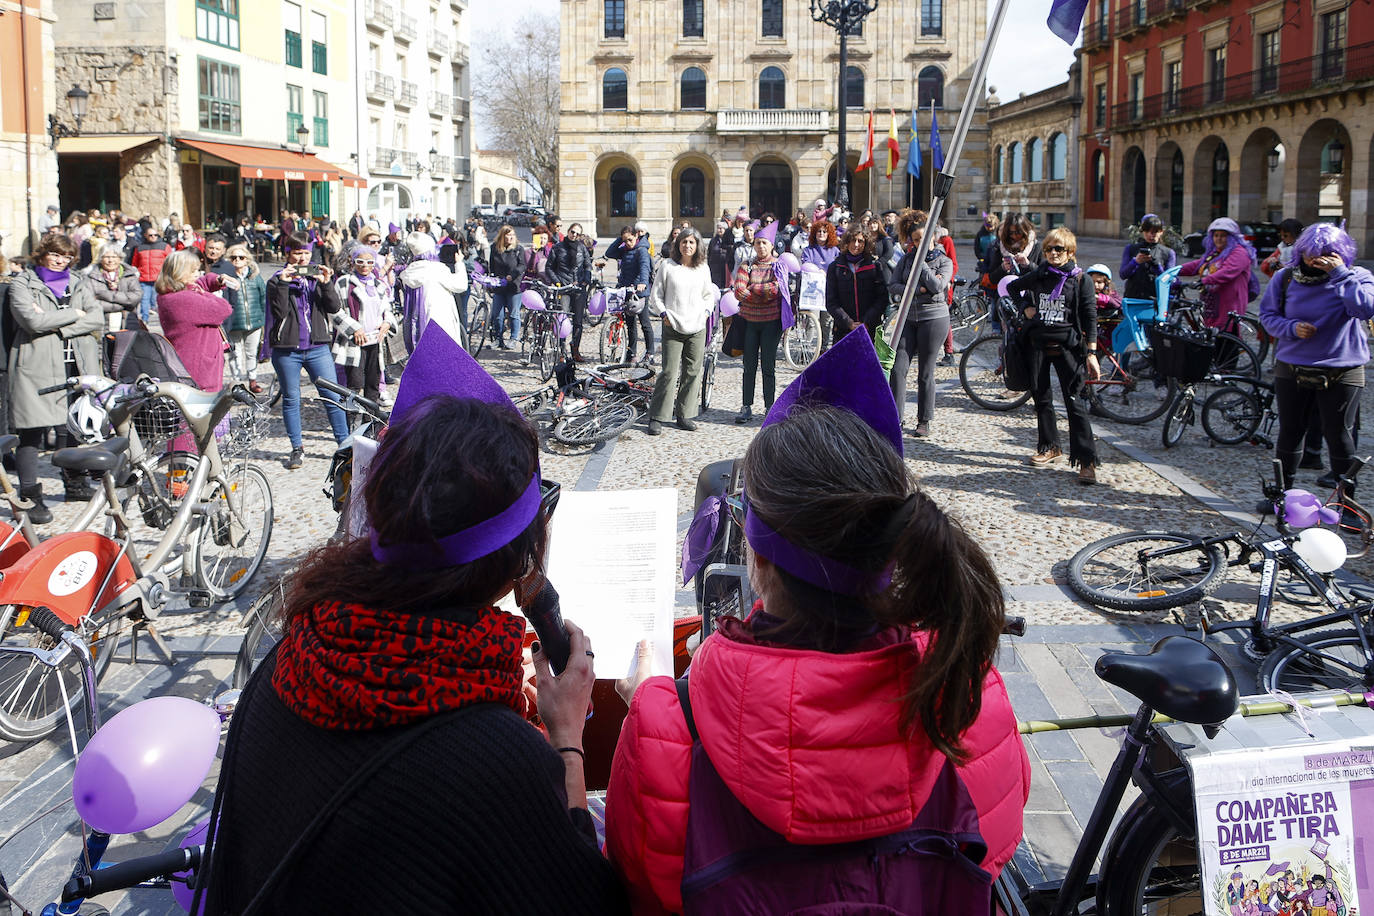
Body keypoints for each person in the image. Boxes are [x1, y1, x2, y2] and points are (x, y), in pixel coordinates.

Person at [200, 333, 627, 914]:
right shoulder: (497, 764)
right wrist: (568, 741)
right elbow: (586, 901)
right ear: (513, 565)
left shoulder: (285, 661)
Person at [607, 331, 1028, 914]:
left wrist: (645, 705)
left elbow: (641, 885)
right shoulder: (964, 691)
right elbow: (994, 851)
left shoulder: (670, 724)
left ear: (755, 558)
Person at [1258, 223, 1374, 497]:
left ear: (1340, 253)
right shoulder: (1286, 278)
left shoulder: (1357, 276)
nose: (1316, 260)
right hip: (1292, 366)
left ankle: (1346, 504)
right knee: (1291, 431)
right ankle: (1281, 497)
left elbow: (1365, 309)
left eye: (1325, 254)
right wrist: (1291, 328)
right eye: (1311, 253)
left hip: (1342, 367)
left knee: (1339, 435)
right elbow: (1268, 316)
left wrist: (1339, 274)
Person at [6, 233, 105, 519]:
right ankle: (29, 496)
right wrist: (73, 313)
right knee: (31, 432)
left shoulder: (76, 282)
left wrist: (62, 325)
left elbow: (96, 317)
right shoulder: (23, 283)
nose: (61, 261)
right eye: (55, 254)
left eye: (66, 256)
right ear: (43, 253)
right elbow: (32, 321)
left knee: (70, 428)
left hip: (75, 364)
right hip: (36, 365)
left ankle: (74, 483)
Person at [1008, 228, 1100, 484]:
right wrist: (1026, 307)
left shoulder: (1081, 280)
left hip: (1068, 347)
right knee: (1042, 400)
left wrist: (1091, 353)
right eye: (1049, 249)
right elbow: (1013, 287)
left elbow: (1090, 318)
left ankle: (1086, 461)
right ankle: (1050, 446)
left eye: (1058, 249)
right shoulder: (1040, 274)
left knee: (1076, 404)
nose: (1053, 254)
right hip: (1038, 344)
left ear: (1070, 251)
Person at [264, 232, 351, 469]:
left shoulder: (316, 278)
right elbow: (279, 313)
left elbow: (334, 307)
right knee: (292, 399)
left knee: (333, 398)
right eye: (297, 253)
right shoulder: (275, 280)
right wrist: (283, 283)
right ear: (288, 254)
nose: (302, 259)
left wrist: (327, 284)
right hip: (286, 350)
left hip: (317, 348)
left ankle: (344, 445)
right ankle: (296, 448)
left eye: (305, 253)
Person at [155, 250, 236, 441]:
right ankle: (192, 463)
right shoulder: (183, 299)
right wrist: (205, 292)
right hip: (198, 365)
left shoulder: (172, 293)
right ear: (180, 273)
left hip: (194, 359)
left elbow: (202, 283)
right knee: (196, 417)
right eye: (192, 271)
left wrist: (214, 281)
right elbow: (223, 308)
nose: (197, 275)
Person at [888, 212, 954, 438]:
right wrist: (917, 290)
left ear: (933, 237)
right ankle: (896, 418)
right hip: (908, 317)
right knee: (898, 369)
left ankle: (924, 420)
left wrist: (922, 265)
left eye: (923, 239)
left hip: (933, 318)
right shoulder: (906, 259)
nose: (919, 244)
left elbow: (937, 287)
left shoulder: (944, 261)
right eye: (915, 240)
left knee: (926, 372)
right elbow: (893, 285)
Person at [645, 227, 715, 436]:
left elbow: (708, 295)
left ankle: (684, 414)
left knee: (692, 372)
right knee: (669, 371)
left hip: (696, 327)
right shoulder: (667, 266)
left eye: (692, 243)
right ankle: (657, 415)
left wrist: (705, 312)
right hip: (672, 325)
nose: (687, 246)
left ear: (697, 246)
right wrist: (664, 314)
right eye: (684, 242)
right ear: (678, 244)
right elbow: (656, 296)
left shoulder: (702, 267)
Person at [732, 221, 790, 424]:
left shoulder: (779, 266)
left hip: (770, 323)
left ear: (772, 245)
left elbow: (777, 290)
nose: (761, 247)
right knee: (749, 366)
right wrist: (762, 291)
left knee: (768, 366)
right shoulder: (746, 265)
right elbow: (739, 291)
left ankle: (769, 407)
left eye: (764, 242)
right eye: (757, 243)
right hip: (749, 323)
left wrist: (753, 289)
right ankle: (746, 406)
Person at [334, 246, 399, 403]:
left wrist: (387, 323)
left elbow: (387, 309)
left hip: (375, 340)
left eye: (370, 262)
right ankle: (352, 421)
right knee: (354, 384)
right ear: (353, 262)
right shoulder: (344, 283)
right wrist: (355, 329)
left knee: (373, 383)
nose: (365, 266)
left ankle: (371, 421)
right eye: (360, 262)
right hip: (355, 341)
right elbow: (335, 311)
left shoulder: (378, 285)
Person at [1179, 217, 1258, 329]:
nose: (1219, 239)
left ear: (1231, 237)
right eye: (1216, 235)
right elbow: (1198, 265)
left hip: (1229, 302)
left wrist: (1204, 281)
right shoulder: (1215, 253)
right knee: (1210, 332)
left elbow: (1227, 271)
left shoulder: (1239, 252)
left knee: (1226, 332)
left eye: (1223, 236)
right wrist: (1175, 270)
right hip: (1211, 302)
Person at [398, 231, 468, 352]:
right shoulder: (437, 269)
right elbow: (460, 285)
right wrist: (459, 264)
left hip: (420, 323)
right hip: (441, 322)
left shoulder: (409, 272)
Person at [604, 223, 654, 364]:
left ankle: (650, 352)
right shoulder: (624, 249)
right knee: (630, 325)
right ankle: (632, 353)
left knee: (645, 323)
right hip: (626, 290)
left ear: (636, 236)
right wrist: (620, 240)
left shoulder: (642, 250)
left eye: (630, 239)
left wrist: (642, 283)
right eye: (625, 240)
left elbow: (645, 268)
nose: (628, 243)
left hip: (640, 292)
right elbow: (609, 253)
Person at [825, 226, 886, 341]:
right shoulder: (835, 267)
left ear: (866, 243)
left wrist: (866, 321)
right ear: (847, 242)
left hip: (869, 329)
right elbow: (831, 302)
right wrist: (849, 323)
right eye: (853, 240)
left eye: (860, 241)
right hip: (843, 329)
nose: (856, 245)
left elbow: (882, 298)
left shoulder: (874, 266)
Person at [222, 243, 267, 394]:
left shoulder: (255, 277)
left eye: (241, 257)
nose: (237, 260)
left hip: (254, 322)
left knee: (251, 352)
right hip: (234, 322)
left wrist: (264, 319)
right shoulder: (226, 278)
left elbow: (263, 298)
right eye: (233, 257)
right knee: (235, 353)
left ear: (247, 259)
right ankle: (237, 381)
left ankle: (252, 380)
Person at [547, 222, 593, 362]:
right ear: (568, 231)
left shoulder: (582, 248)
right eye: (572, 232)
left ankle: (575, 350)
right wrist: (557, 282)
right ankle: (561, 351)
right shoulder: (557, 247)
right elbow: (549, 267)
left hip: (578, 288)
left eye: (577, 234)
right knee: (563, 320)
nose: (574, 235)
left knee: (578, 321)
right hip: (564, 287)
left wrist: (586, 278)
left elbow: (588, 265)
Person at [1119, 214, 1177, 306]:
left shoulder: (1168, 252)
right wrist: (1135, 262)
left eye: (1155, 232)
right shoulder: (1131, 249)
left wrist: (1157, 267)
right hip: (1133, 297)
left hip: (1156, 300)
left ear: (1161, 231)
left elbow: (1170, 281)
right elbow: (1123, 274)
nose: (1151, 235)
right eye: (1147, 231)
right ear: (1142, 232)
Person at [978, 212, 1040, 296]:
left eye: (1017, 232)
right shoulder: (999, 247)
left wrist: (1028, 264)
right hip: (1004, 301)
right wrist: (1002, 268)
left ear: (1025, 231)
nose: (1014, 236)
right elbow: (991, 278)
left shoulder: (1036, 247)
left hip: (1029, 300)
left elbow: (1044, 275)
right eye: (1011, 233)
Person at [487, 225, 527, 351]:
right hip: (499, 285)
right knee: (497, 314)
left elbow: (522, 266)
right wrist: (491, 279)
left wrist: (512, 275)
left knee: (514, 313)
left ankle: (513, 338)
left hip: (514, 286)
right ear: (502, 236)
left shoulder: (519, 249)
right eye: (508, 235)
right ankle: (498, 338)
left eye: (512, 235)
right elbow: (492, 266)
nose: (510, 238)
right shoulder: (495, 248)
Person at [86, 245, 141, 332]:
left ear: (120, 258)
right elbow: (89, 302)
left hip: (127, 323)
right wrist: (123, 305)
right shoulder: (91, 276)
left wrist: (105, 295)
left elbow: (135, 297)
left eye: (114, 257)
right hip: (100, 324)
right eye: (107, 257)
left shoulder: (130, 275)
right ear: (101, 258)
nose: (110, 260)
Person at [127, 223, 172, 321]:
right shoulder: (139, 247)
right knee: (144, 299)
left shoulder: (164, 246)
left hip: (159, 278)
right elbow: (135, 263)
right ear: (145, 236)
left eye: (155, 235)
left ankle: (162, 319)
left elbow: (170, 261)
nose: (153, 237)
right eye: (150, 235)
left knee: (158, 300)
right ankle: (145, 319)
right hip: (144, 278)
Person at [706, 219, 731, 289]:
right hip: (715, 268)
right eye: (718, 228)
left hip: (726, 268)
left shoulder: (729, 240)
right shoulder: (713, 240)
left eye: (721, 228)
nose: (719, 230)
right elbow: (709, 253)